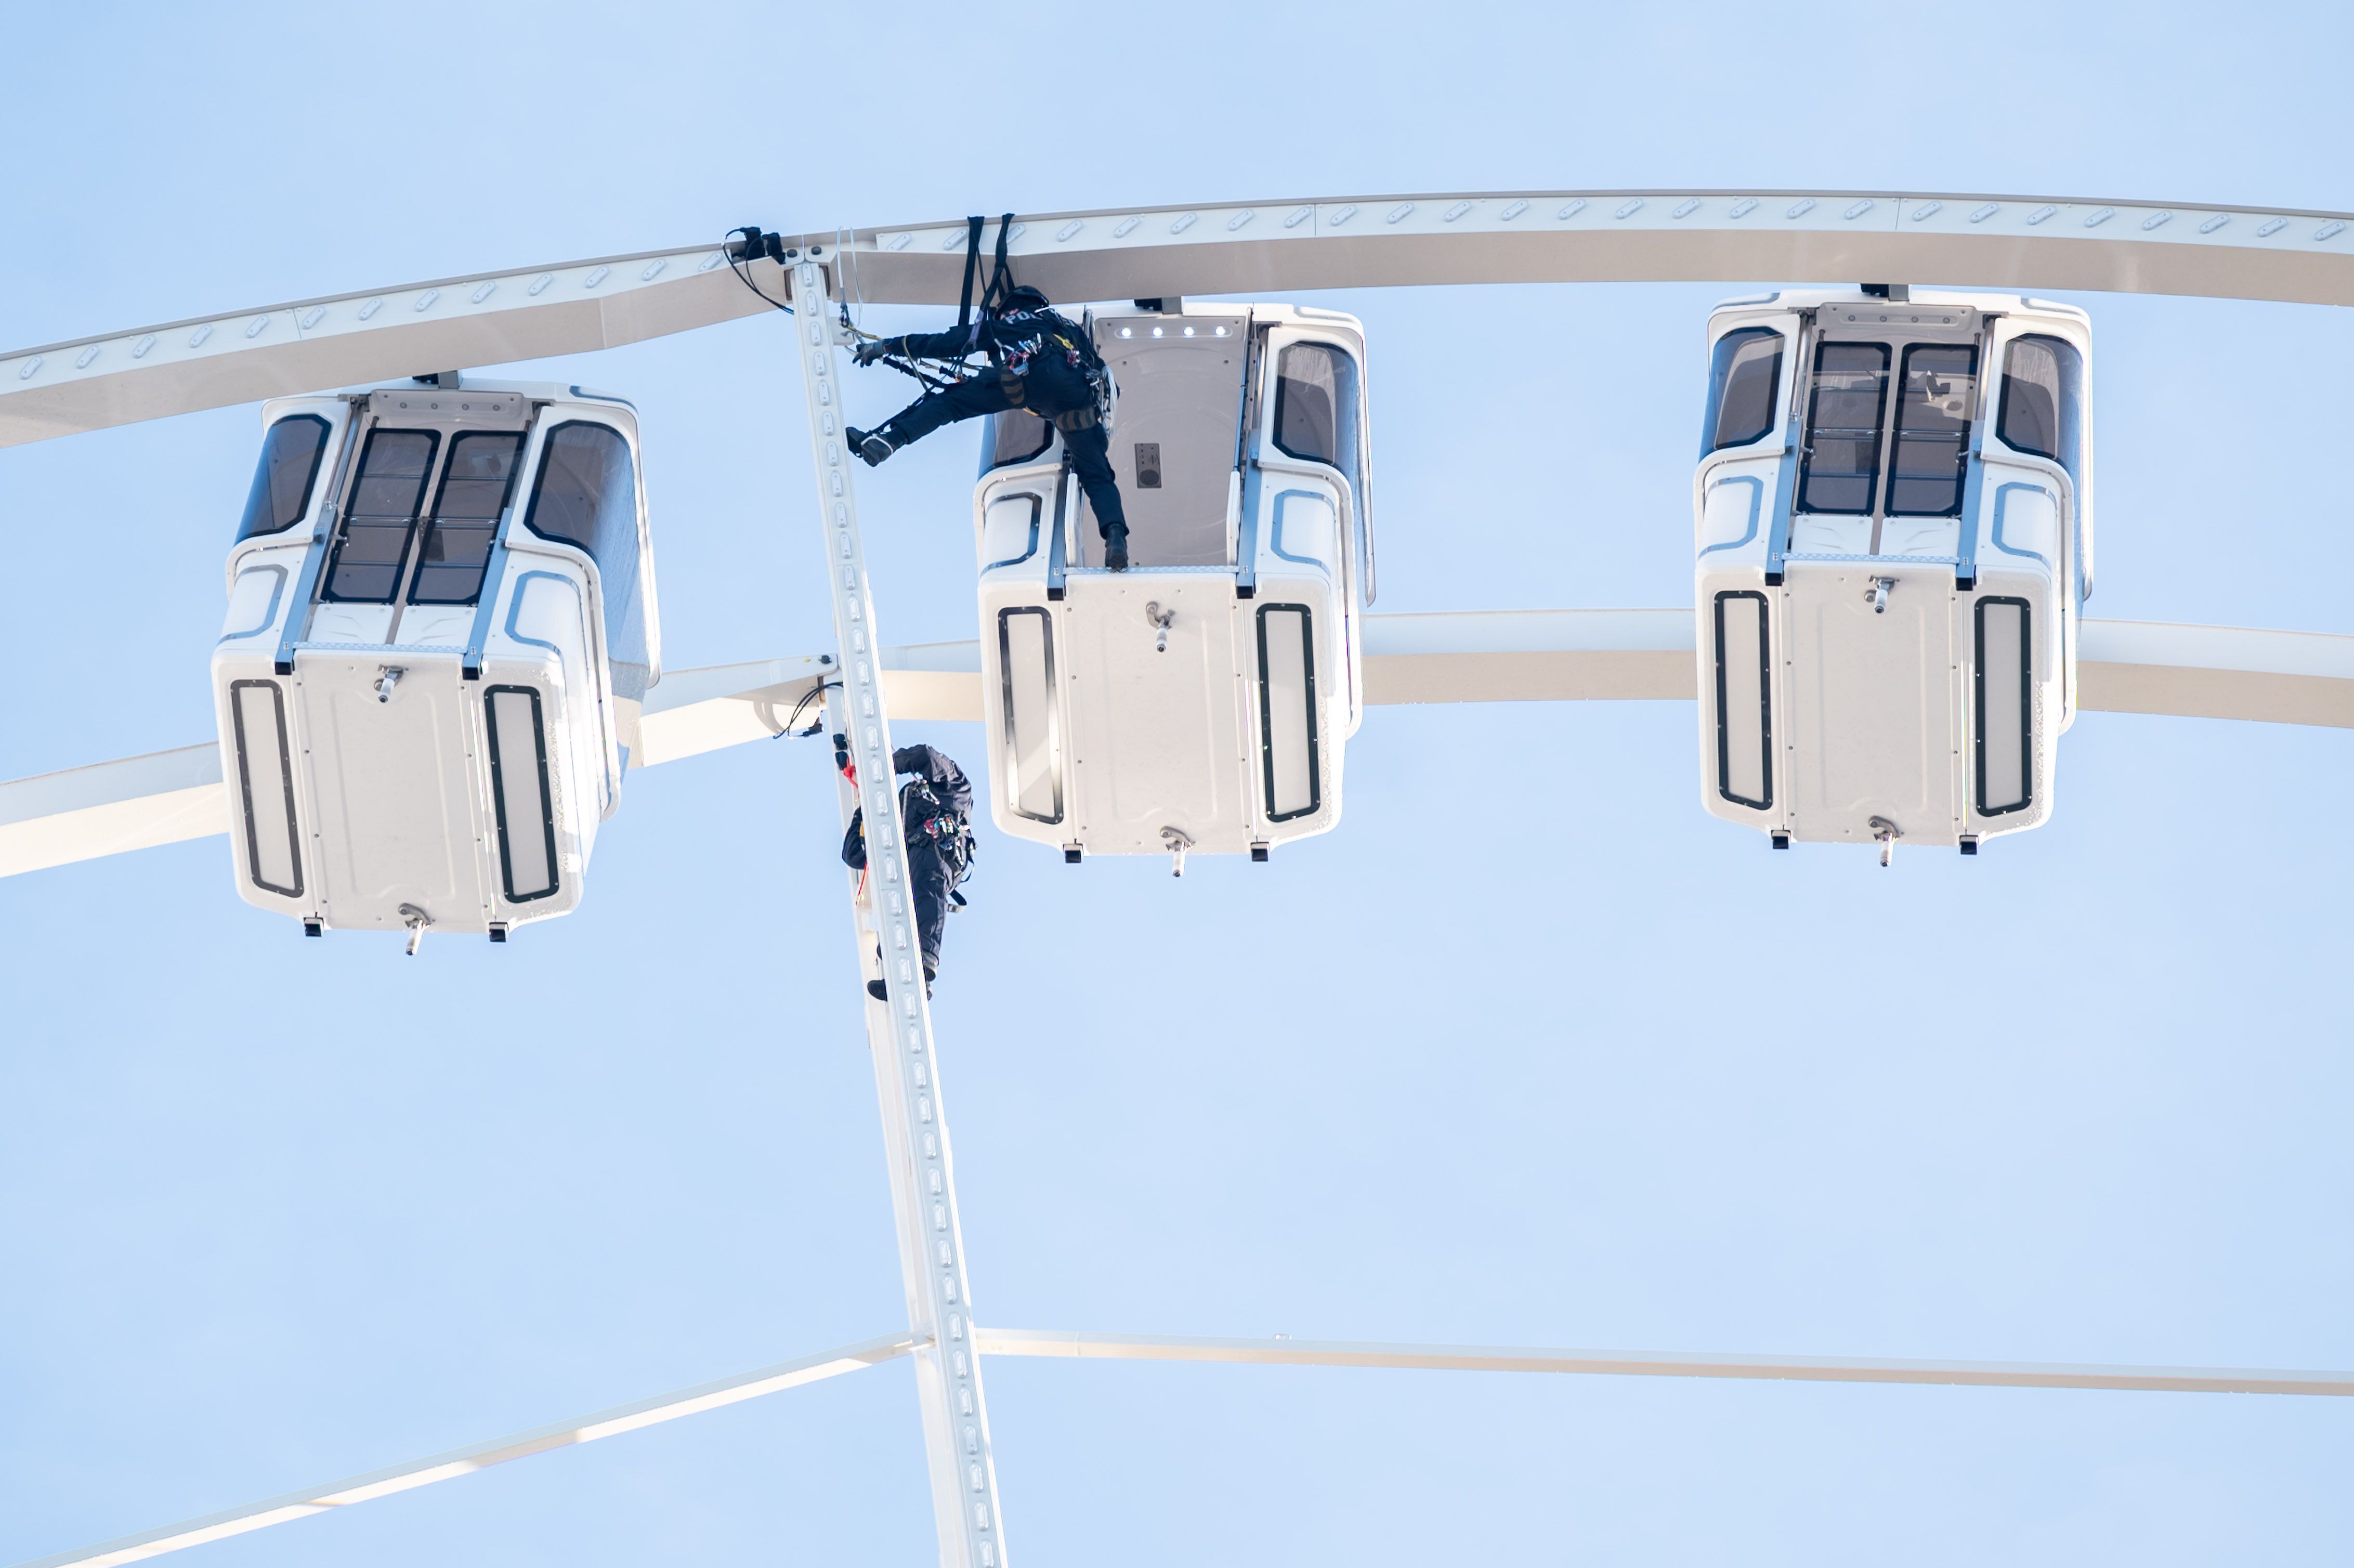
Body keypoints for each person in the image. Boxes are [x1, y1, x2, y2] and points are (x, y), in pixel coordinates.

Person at [846, 284, 1133, 570]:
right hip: (1074, 391)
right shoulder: (1067, 327)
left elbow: (945, 343)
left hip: (1024, 376)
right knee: (1097, 475)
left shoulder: (1005, 324)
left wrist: (886, 347)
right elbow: (1109, 384)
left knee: (950, 404)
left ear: (1010, 308)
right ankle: (1116, 537)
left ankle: (890, 440)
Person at [842, 743, 976, 1001]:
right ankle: (898, 965)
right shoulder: (899, 809)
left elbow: (928, 757)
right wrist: (864, 811)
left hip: (940, 852)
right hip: (910, 861)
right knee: (901, 902)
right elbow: (854, 855)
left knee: (927, 882)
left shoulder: (955, 791)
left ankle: (923, 964)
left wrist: (889, 764)